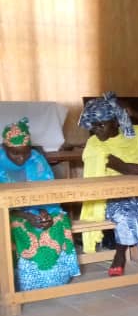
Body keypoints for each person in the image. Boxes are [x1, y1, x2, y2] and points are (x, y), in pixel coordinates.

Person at [78, 92, 138, 276]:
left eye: (101, 124)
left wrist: (133, 113)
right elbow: (125, 168)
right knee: (127, 215)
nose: (97, 130)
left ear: (116, 121)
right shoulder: (94, 145)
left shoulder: (133, 134)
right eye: (93, 126)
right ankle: (120, 253)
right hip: (109, 196)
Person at [0, 119, 80, 291]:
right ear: (4, 148)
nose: (21, 158)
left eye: (25, 153)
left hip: (38, 207)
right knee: (21, 226)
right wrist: (25, 215)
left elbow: (47, 190)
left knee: (59, 220)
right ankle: (27, 281)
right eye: (15, 153)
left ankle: (57, 277)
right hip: (6, 212)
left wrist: (45, 212)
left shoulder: (37, 159)